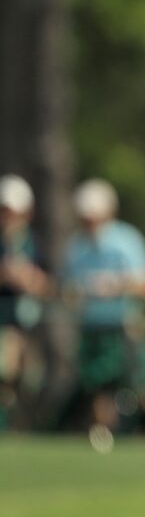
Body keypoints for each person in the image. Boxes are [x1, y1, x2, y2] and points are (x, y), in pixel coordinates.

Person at [62, 178, 145, 434]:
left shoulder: (127, 240)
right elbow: (66, 287)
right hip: (90, 324)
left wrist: (117, 286)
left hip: (123, 324)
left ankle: (132, 431)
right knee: (94, 384)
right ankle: (101, 433)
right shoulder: (76, 246)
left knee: (127, 384)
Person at [0, 174, 49, 429]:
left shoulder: (33, 243)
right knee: (6, 368)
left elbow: (44, 283)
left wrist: (28, 278)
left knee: (30, 378)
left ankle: (20, 423)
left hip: (29, 322)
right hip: (4, 321)